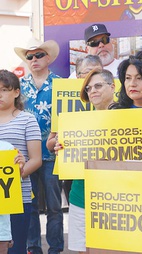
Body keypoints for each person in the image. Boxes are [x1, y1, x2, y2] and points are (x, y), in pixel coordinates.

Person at [54, 69, 115, 254]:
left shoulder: (128, 116)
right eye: (89, 88)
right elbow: (70, 159)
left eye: (98, 86)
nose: (93, 91)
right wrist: (61, 149)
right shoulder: (78, 122)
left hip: (117, 198)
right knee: (83, 250)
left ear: (112, 87)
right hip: (81, 196)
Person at [14, 39, 63, 254]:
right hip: (26, 155)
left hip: (54, 154)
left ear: (48, 58)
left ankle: (55, 248)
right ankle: (32, 247)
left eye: (39, 55)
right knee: (29, 205)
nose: (34, 59)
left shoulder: (61, 84)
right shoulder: (18, 87)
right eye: (30, 56)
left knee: (54, 206)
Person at [0, 69, 42, 254]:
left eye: (4, 89)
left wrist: (21, 170)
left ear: (16, 92)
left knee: (15, 248)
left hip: (18, 197)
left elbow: (36, 159)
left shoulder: (27, 120)